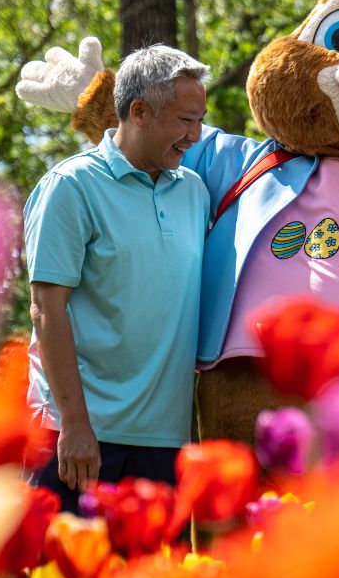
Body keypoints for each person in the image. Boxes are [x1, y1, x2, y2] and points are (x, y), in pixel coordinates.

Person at [24, 45, 210, 513]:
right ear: (140, 111)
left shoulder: (193, 190)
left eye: (200, 119)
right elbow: (47, 309)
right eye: (186, 120)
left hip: (165, 442)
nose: (197, 134)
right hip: (80, 438)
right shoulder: (71, 186)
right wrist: (75, 425)